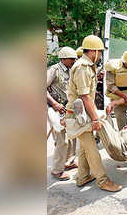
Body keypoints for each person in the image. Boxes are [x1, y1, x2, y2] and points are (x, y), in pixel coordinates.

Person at [65, 35, 122, 192]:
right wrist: (96, 119)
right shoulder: (82, 67)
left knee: (84, 147)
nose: (101, 55)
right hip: (77, 116)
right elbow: (84, 97)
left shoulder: (87, 66)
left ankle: (83, 177)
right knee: (92, 150)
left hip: (81, 114)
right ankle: (103, 181)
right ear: (93, 51)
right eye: (100, 52)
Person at [47, 46, 78, 181]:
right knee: (61, 140)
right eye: (71, 59)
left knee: (72, 137)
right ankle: (57, 170)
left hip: (67, 108)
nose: (74, 61)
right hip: (55, 109)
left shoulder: (71, 70)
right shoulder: (54, 70)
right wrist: (54, 104)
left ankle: (68, 162)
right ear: (64, 59)